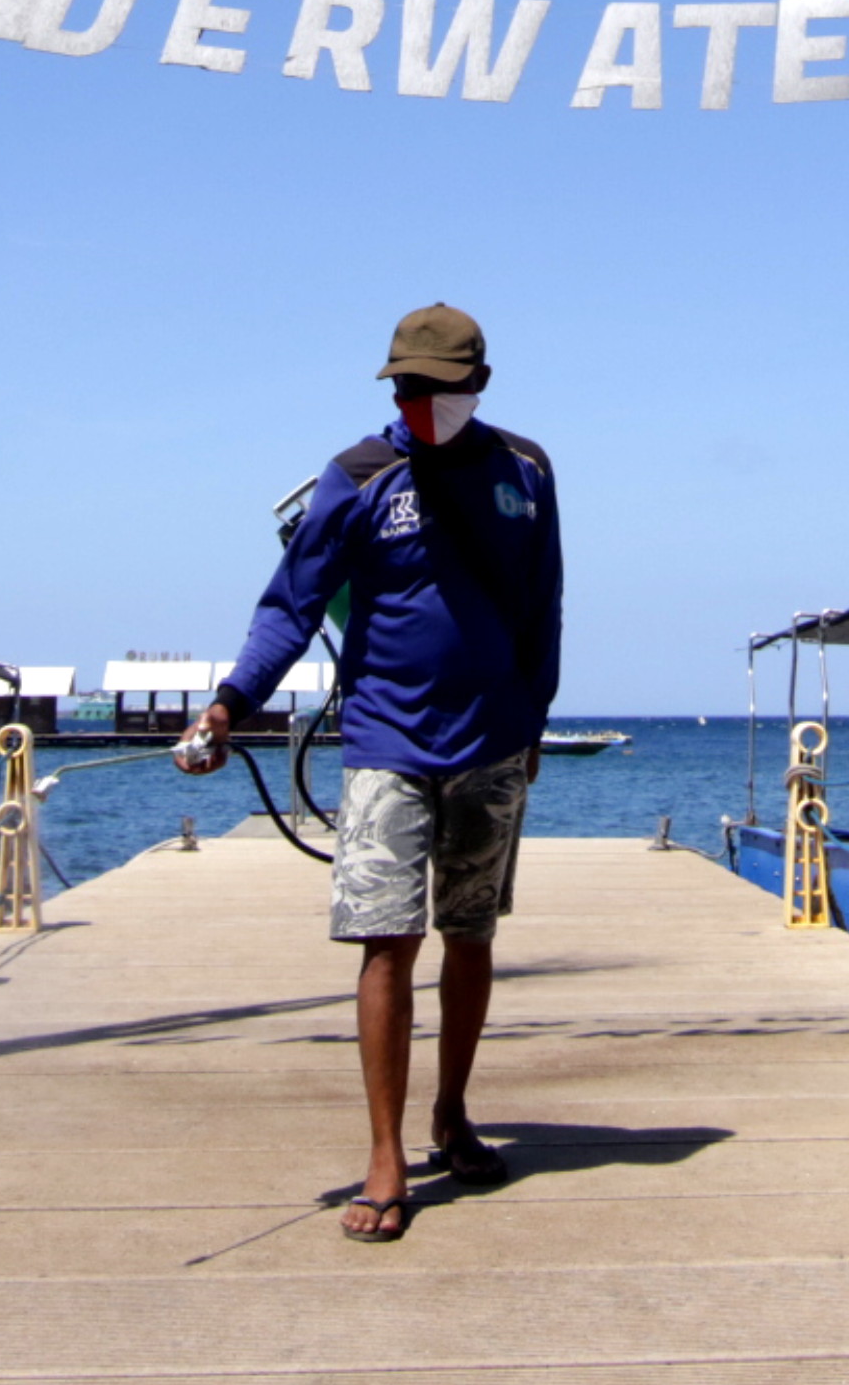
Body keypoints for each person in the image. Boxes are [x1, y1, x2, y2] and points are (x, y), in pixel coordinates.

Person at [175, 302, 562, 1244]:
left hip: (494, 744)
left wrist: (534, 720)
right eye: (404, 385)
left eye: (436, 385)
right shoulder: (354, 477)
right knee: (386, 940)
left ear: (479, 385)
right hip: (386, 743)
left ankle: (452, 1112)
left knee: (470, 934)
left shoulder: (528, 471)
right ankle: (386, 1151)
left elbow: (544, 603)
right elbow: (290, 606)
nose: (419, 400)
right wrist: (231, 700)